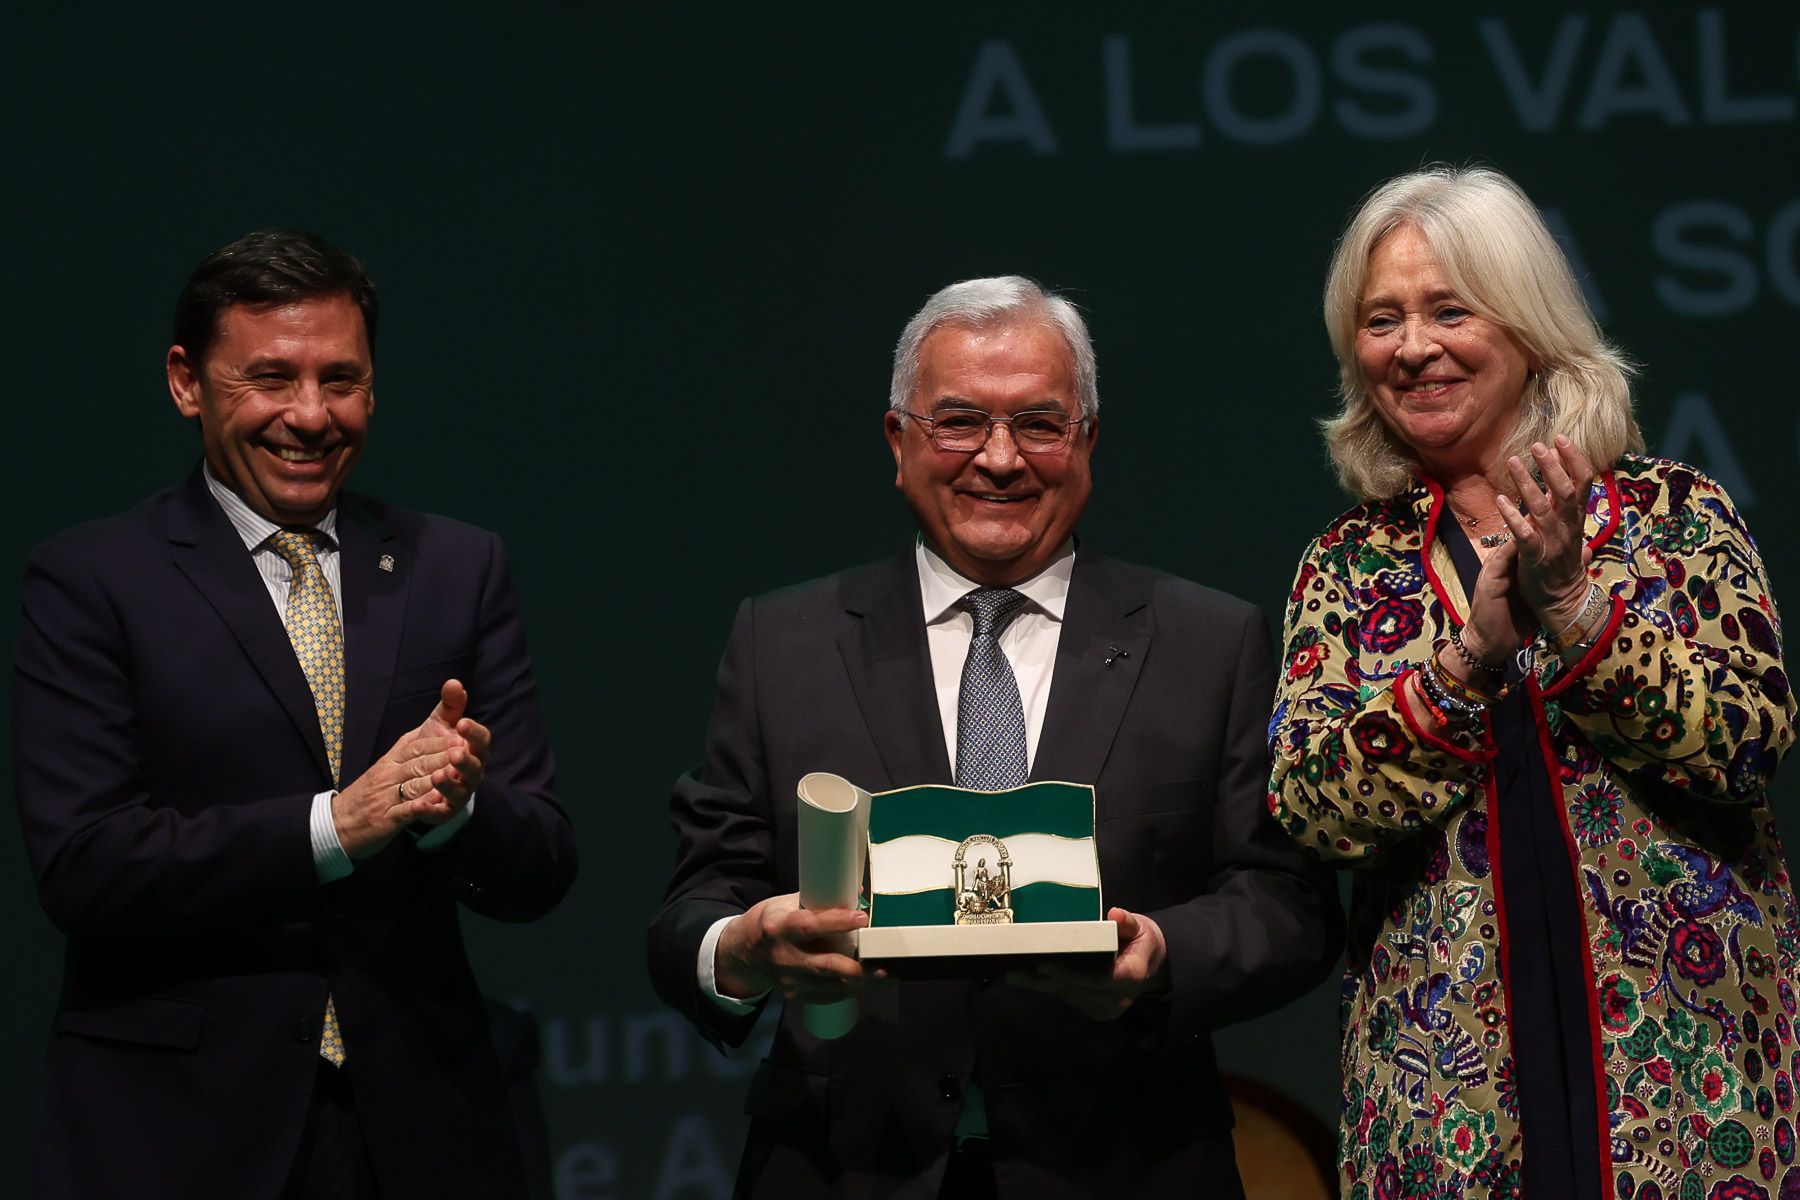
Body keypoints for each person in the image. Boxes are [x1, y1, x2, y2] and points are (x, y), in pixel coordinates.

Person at [648, 276, 1341, 1198]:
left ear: (1088, 441)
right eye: (960, 421)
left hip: (1127, 1166)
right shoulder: (785, 643)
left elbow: (1286, 903)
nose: (1001, 459)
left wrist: (1163, 956)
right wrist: (740, 947)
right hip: (845, 1165)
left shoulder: (1209, 642)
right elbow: (697, 901)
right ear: (899, 442)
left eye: (1041, 424)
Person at [1267, 165, 1798, 1200]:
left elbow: (1750, 739)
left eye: (1447, 309)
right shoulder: (1346, 564)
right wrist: (1465, 663)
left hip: (1685, 1066)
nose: (1411, 347)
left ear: (1526, 322)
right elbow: (1311, 807)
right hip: (1442, 1083)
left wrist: (1577, 612)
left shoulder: (1672, 515)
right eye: (1381, 321)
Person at [13, 230, 578, 1199]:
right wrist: (334, 826)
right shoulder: (92, 580)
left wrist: (456, 816)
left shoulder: (455, 567)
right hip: (177, 1131)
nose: (311, 416)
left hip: (423, 1127)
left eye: (341, 380)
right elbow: (84, 866)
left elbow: (541, 865)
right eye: (271, 379)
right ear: (187, 382)